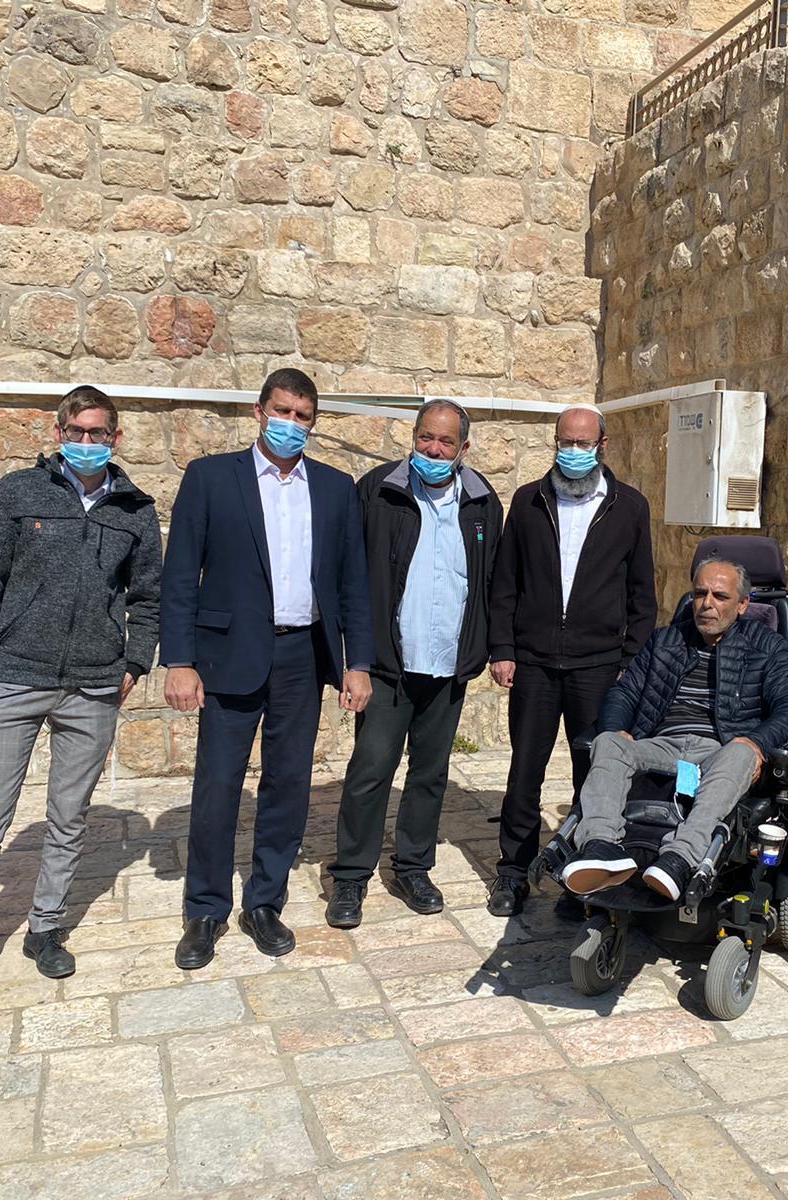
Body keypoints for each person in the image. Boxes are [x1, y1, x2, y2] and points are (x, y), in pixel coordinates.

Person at [0, 386, 162, 1019]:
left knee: (69, 817)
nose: (87, 442)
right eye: (76, 431)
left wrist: (135, 662)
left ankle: (46, 927)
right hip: (16, 677)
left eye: (98, 433)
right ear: (58, 433)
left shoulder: (136, 509)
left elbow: (148, 597)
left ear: (115, 439)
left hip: (93, 686)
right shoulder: (18, 492)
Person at [161, 368, 374, 970]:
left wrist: (357, 661)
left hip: (302, 655)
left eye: (302, 416)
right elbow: (181, 575)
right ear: (259, 412)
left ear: (314, 422)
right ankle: (205, 909)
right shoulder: (211, 478)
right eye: (282, 411)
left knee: (289, 782)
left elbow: (353, 584)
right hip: (229, 654)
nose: (291, 424)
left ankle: (264, 901)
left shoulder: (334, 488)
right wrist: (179, 660)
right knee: (218, 784)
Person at [325, 399, 504, 929]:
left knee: (430, 773)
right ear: (413, 436)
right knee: (371, 769)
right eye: (426, 437)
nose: (434, 449)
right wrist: (355, 657)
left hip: (448, 663)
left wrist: (489, 647)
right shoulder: (378, 491)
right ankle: (351, 876)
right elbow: (350, 575)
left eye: (446, 441)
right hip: (388, 663)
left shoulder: (482, 502)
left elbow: (492, 582)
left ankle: (413, 867)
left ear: (463, 448)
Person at [486, 404, 656, 916]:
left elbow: (641, 595)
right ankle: (513, 871)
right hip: (535, 665)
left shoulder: (629, 507)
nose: (574, 451)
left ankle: (580, 874)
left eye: (584, 443)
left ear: (603, 445)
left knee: (594, 774)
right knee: (524, 772)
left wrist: (631, 662)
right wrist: (503, 648)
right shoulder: (529, 501)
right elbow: (505, 583)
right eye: (566, 442)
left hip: (599, 668)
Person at [561, 557, 788, 898]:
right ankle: (600, 848)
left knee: (740, 753)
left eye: (720, 596)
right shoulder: (664, 640)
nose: (707, 603)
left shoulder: (766, 647)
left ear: (742, 605)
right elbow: (624, 692)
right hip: (663, 743)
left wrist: (756, 742)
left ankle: (679, 858)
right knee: (609, 742)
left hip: (720, 749)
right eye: (700, 593)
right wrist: (617, 728)